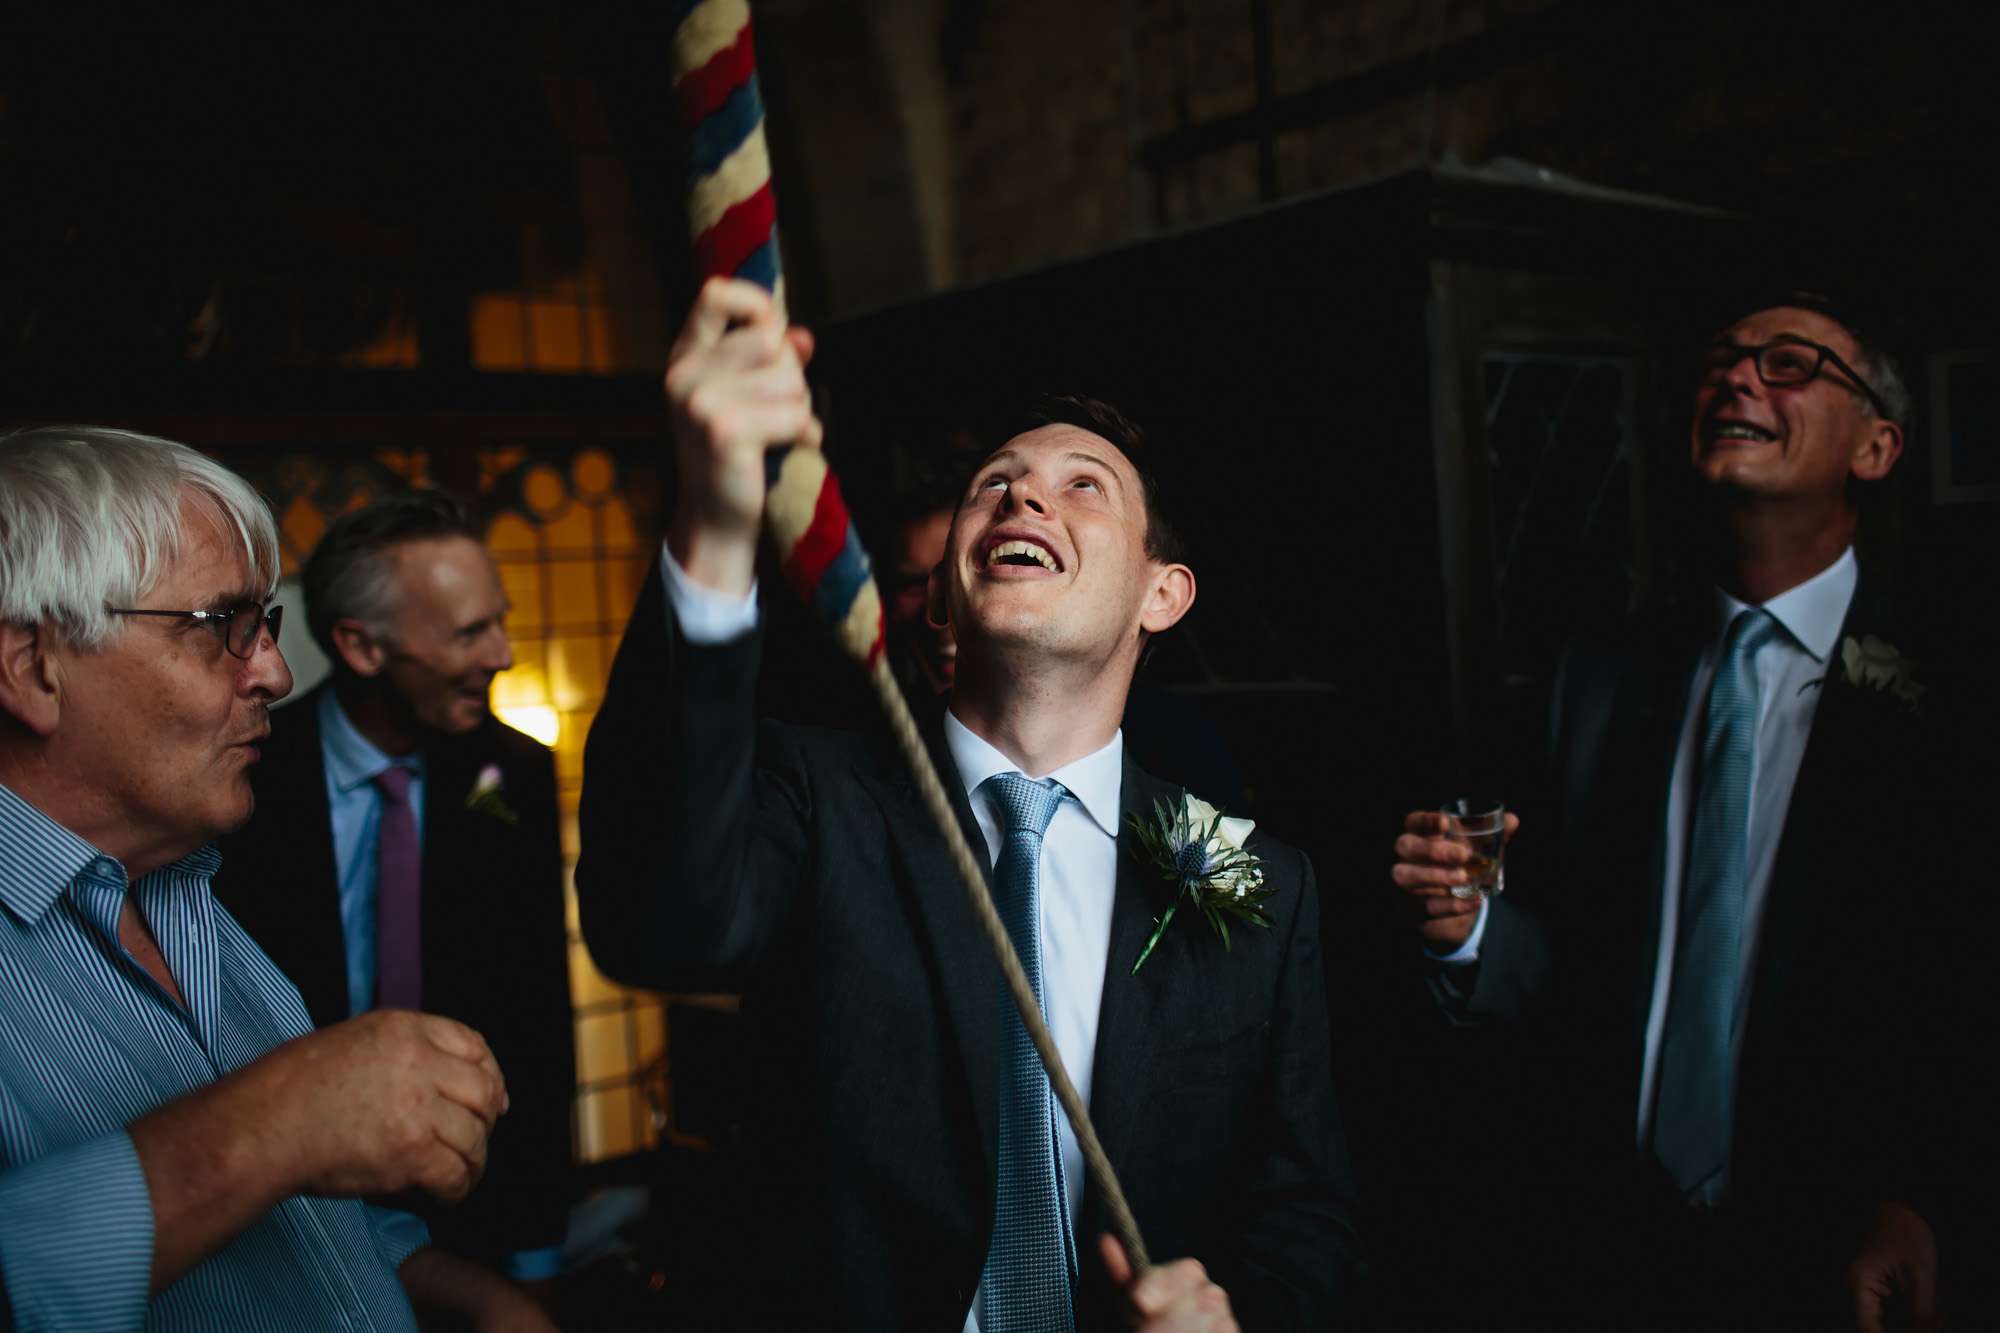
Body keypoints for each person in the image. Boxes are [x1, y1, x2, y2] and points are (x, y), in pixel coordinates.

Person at [576, 278, 1354, 1331]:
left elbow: (1301, 1211)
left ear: (1160, 594)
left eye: (1083, 488)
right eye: (997, 484)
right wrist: (715, 519)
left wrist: (1237, 1317)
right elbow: (656, 922)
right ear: (939, 589)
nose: (1024, 500)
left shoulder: (1252, 876)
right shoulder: (818, 794)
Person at [1389, 295, 1954, 1328]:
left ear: (1875, 445)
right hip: (1602, 1246)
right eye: (1721, 362)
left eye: (1786, 365)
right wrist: (1469, 927)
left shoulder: (1955, 688)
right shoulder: (1599, 680)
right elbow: (1567, 967)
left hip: (1840, 1249)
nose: (1736, 379)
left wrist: (1928, 1200)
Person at [0, 425, 530, 1329]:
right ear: (34, 667)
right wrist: (277, 1118)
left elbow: (307, 1228)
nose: (278, 673)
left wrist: (468, 1294)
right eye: (223, 628)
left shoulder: (188, 891)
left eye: (267, 627)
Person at [214, 491, 574, 1299]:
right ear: (360, 645)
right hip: (290, 1219)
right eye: (468, 632)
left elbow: (536, 1008)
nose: (505, 653)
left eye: (499, 620)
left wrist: (539, 1247)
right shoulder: (247, 779)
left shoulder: (510, 773)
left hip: (473, 1206)